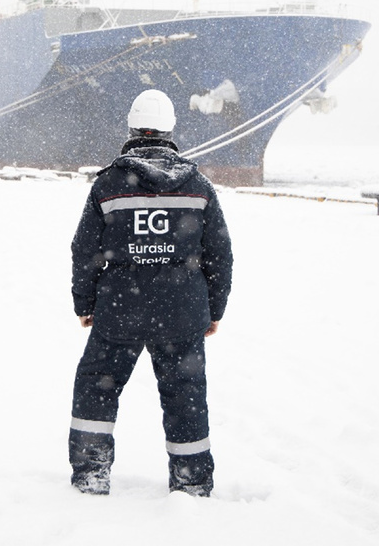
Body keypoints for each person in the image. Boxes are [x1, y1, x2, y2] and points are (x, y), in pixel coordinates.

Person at [68, 89, 233, 497]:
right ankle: (192, 482)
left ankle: (91, 475)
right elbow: (220, 254)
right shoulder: (198, 186)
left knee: (97, 386)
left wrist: (85, 304)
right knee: (185, 396)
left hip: (119, 309)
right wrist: (214, 310)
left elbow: (85, 250)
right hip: (182, 311)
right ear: (170, 130)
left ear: (131, 129)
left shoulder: (108, 184)